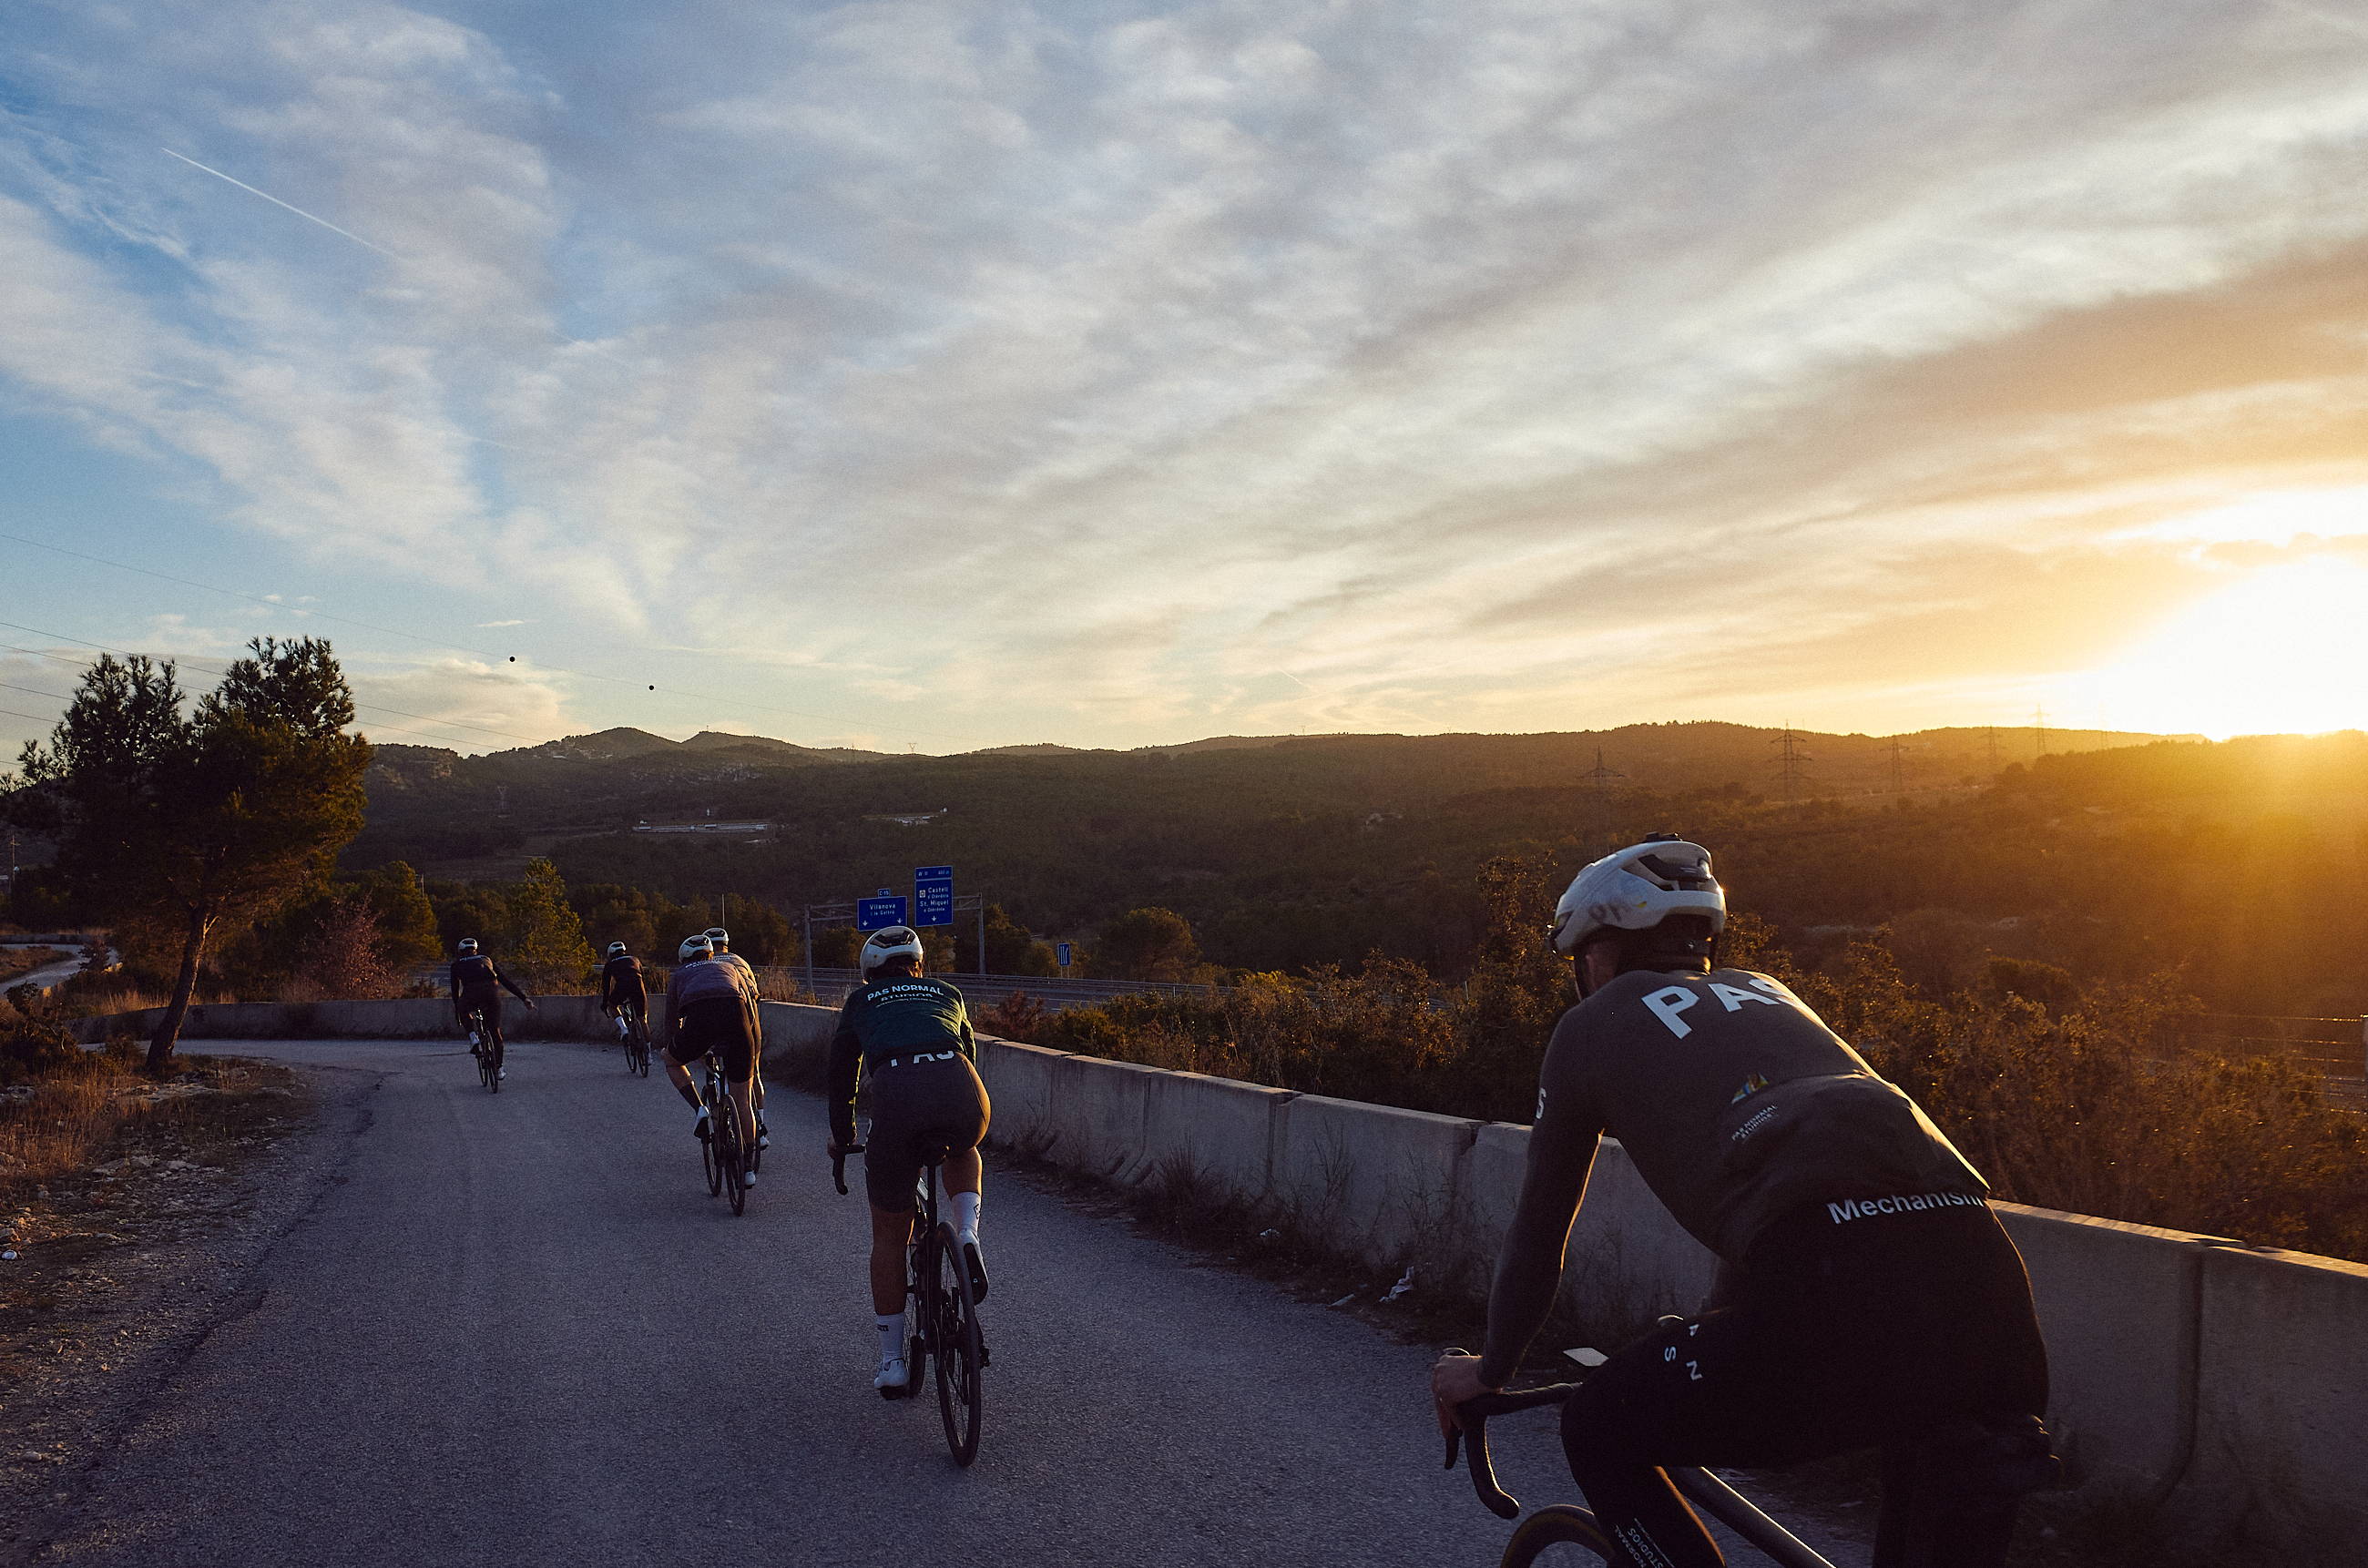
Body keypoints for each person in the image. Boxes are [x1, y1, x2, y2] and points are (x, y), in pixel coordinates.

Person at [1430, 837, 2056, 1568]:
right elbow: (1800, 1199)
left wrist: (1492, 1370)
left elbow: (1540, 1231)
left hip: (1829, 1297)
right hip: (1996, 1308)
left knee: (1600, 1424)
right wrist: (1720, 1326)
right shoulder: (1774, 996)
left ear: (1600, 951)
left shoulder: (1590, 1026)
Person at [823, 925, 991, 1394]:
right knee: (963, 1145)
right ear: (919, 964)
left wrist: (842, 1136)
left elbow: (841, 1077)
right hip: (962, 1089)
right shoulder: (947, 991)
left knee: (889, 1240)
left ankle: (893, 1362)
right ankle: (967, 1233)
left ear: (868, 972)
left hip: (897, 1097)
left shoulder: (861, 1002)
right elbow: (969, 1053)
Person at [659, 932, 762, 1188]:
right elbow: (750, 1010)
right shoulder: (729, 966)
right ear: (711, 954)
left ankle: (700, 1110)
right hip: (739, 1023)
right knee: (742, 1100)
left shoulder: (679, 975)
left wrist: (677, 1047)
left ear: (683, 959)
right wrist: (745, 1043)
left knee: (670, 1060)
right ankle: (748, 1167)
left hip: (700, 1022)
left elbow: (671, 1023)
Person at [702, 927, 768, 1149]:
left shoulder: (708, 965)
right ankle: (760, 1128)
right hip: (749, 1025)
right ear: (726, 943)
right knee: (753, 1075)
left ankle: (718, 1111)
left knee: (714, 1067)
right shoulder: (741, 961)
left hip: (715, 1024)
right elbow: (756, 995)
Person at [448, 937, 534, 1077]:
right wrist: (524, 998)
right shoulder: (487, 959)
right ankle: (499, 1068)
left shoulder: (456, 965)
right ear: (476, 950)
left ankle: (473, 1037)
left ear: (461, 952)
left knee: (463, 1007)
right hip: (491, 995)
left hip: (471, 995)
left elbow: (455, 991)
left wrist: (458, 1011)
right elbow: (505, 981)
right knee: (495, 1031)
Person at [598, 941, 648, 1042]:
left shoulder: (610, 964)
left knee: (612, 1005)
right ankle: (649, 1054)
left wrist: (605, 1003)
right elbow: (644, 978)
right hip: (638, 986)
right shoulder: (635, 960)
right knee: (642, 1019)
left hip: (622, 986)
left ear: (611, 954)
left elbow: (606, 986)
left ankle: (624, 1029)